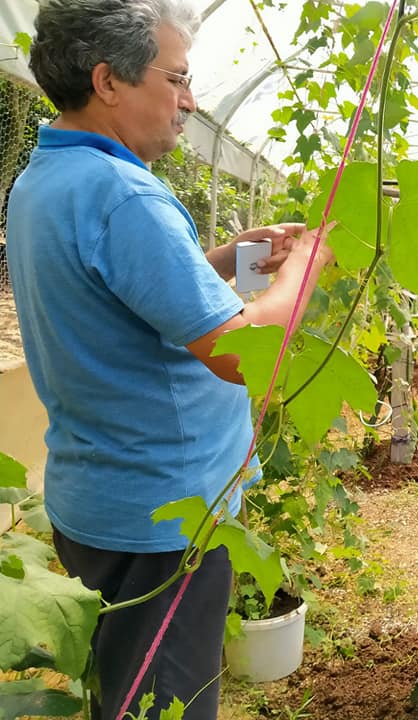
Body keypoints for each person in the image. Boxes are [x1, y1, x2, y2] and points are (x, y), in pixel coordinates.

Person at [5, 1, 334, 718]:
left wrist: (229, 259)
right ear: (108, 81)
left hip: (100, 496)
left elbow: (119, 286)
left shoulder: (44, 179)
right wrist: (302, 269)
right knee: (162, 706)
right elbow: (240, 354)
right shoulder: (123, 195)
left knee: (123, 686)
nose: (189, 101)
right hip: (161, 522)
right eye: (177, 79)